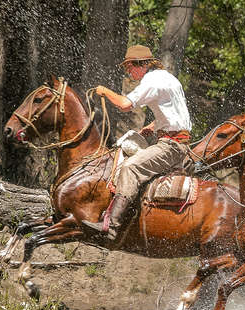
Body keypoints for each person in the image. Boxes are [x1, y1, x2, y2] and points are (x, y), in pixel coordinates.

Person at [82, 44, 192, 240]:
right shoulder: (169, 78)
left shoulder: (152, 81)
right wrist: (154, 125)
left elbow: (125, 105)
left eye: (129, 68)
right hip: (177, 140)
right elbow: (176, 114)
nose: (129, 73)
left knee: (130, 167)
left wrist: (104, 91)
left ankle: (111, 226)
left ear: (141, 65)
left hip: (171, 146)